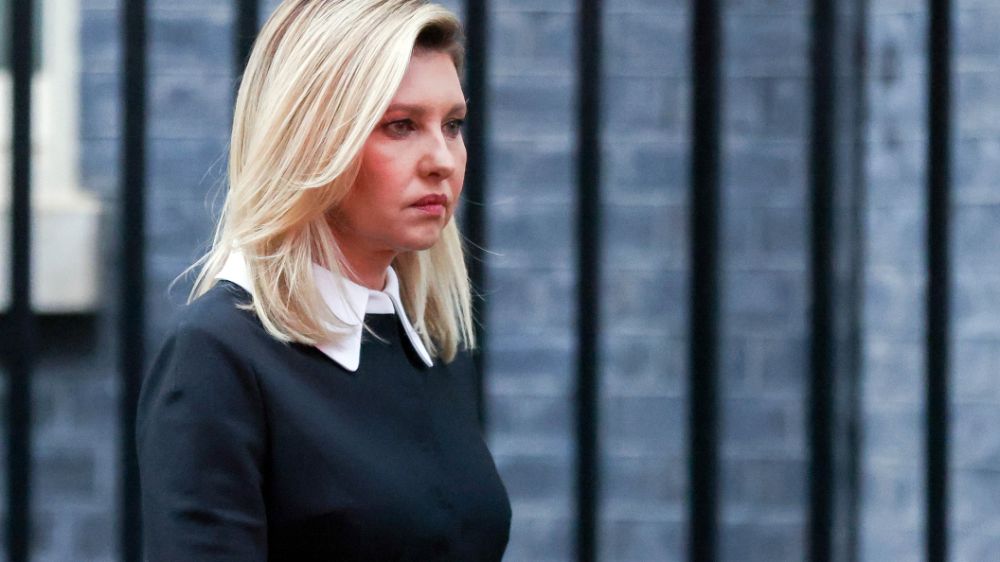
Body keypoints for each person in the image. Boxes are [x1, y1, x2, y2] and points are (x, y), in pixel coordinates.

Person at [135, 1, 511, 559]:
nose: (443, 159)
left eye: (452, 125)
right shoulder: (218, 355)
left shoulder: (429, 345)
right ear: (313, 140)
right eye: (401, 126)